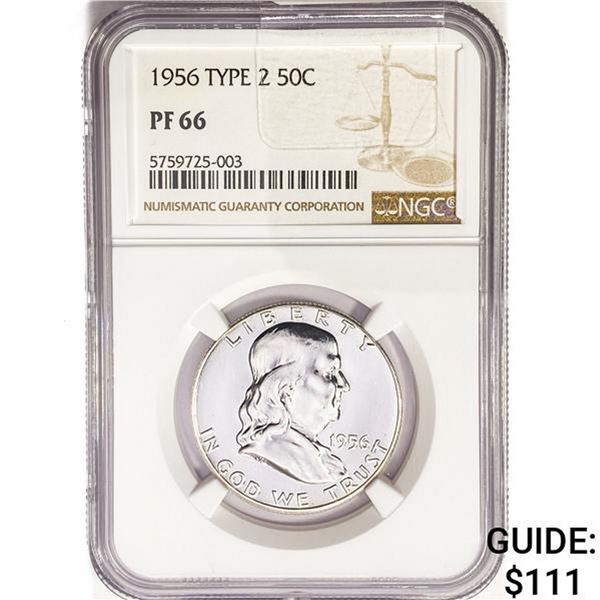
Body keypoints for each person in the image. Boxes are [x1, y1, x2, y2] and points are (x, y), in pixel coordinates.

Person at [237, 322, 350, 484]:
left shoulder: (319, 457)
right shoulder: (280, 456)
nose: (344, 385)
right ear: (284, 391)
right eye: (330, 373)